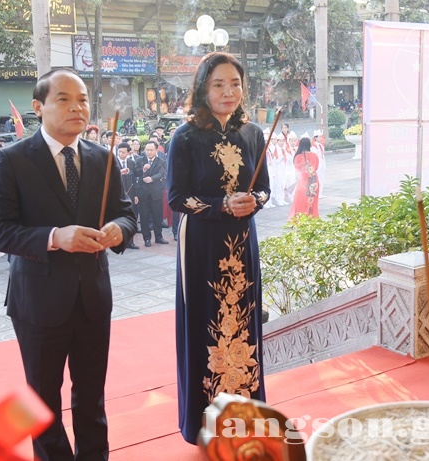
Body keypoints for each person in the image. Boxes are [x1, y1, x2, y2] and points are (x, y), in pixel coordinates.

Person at [0, 68, 137, 460]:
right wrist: (54, 236)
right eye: (64, 99)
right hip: (39, 302)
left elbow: (125, 214)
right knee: (42, 402)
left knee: (92, 397)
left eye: (82, 100)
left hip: (93, 298)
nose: (77, 108)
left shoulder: (102, 158)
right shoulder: (12, 160)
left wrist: (118, 230)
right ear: (38, 107)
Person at [167, 52, 270, 445]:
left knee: (243, 321)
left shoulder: (253, 133)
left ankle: (245, 413)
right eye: (219, 84)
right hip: (202, 243)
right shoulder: (186, 137)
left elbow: (264, 188)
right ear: (202, 89)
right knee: (207, 321)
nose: (229, 92)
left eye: (235, 84)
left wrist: (253, 201)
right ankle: (205, 421)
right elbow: (177, 197)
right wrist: (221, 204)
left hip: (242, 240)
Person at [138, 140, 168, 247]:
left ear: (156, 150)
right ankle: (147, 238)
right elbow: (135, 173)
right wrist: (143, 169)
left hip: (156, 193)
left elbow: (162, 173)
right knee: (144, 217)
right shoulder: (140, 160)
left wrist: (152, 178)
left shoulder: (161, 161)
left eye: (151, 150)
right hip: (143, 193)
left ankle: (159, 237)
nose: (149, 152)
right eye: (147, 150)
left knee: (157, 216)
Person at [288, 136, 320, 220]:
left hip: (303, 181)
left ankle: (300, 218)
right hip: (314, 180)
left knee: (301, 201)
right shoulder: (315, 156)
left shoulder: (297, 157)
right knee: (313, 201)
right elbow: (316, 167)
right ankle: (313, 218)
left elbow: (297, 169)